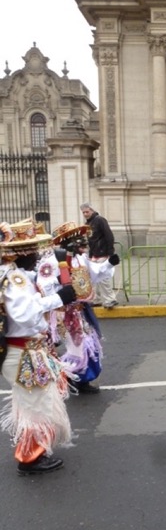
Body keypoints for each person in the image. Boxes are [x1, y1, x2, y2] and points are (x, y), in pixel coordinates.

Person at [0, 219, 77, 475]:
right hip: (23, 352)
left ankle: (33, 452)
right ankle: (29, 458)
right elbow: (24, 315)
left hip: (24, 351)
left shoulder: (15, 276)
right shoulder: (16, 279)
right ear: (22, 254)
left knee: (34, 404)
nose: (36, 256)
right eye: (33, 251)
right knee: (36, 407)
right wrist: (57, 299)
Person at [37, 221, 119, 394]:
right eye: (78, 240)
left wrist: (109, 263)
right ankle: (74, 379)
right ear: (67, 242)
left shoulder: (80, 259)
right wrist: (59, 285)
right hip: (65, 313)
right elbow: (43, 285)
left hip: (81, 310)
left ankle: (80, 379)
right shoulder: (51, 262)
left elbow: (93, 275)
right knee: (78, 347)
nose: (83, 243)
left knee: (89, 344)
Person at [80, 202, 118, 308]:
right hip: (95, 254)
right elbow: (91, 240)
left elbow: (109, 235)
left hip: (103, 253)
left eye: (87, 212)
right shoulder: (88, 224)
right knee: (94, 278)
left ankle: (110, 299)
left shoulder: (100, 220)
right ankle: (96, 299)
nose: (85, 214)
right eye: (83, 212)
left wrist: (110, 252)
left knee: (103, 278)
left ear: (92, 210)